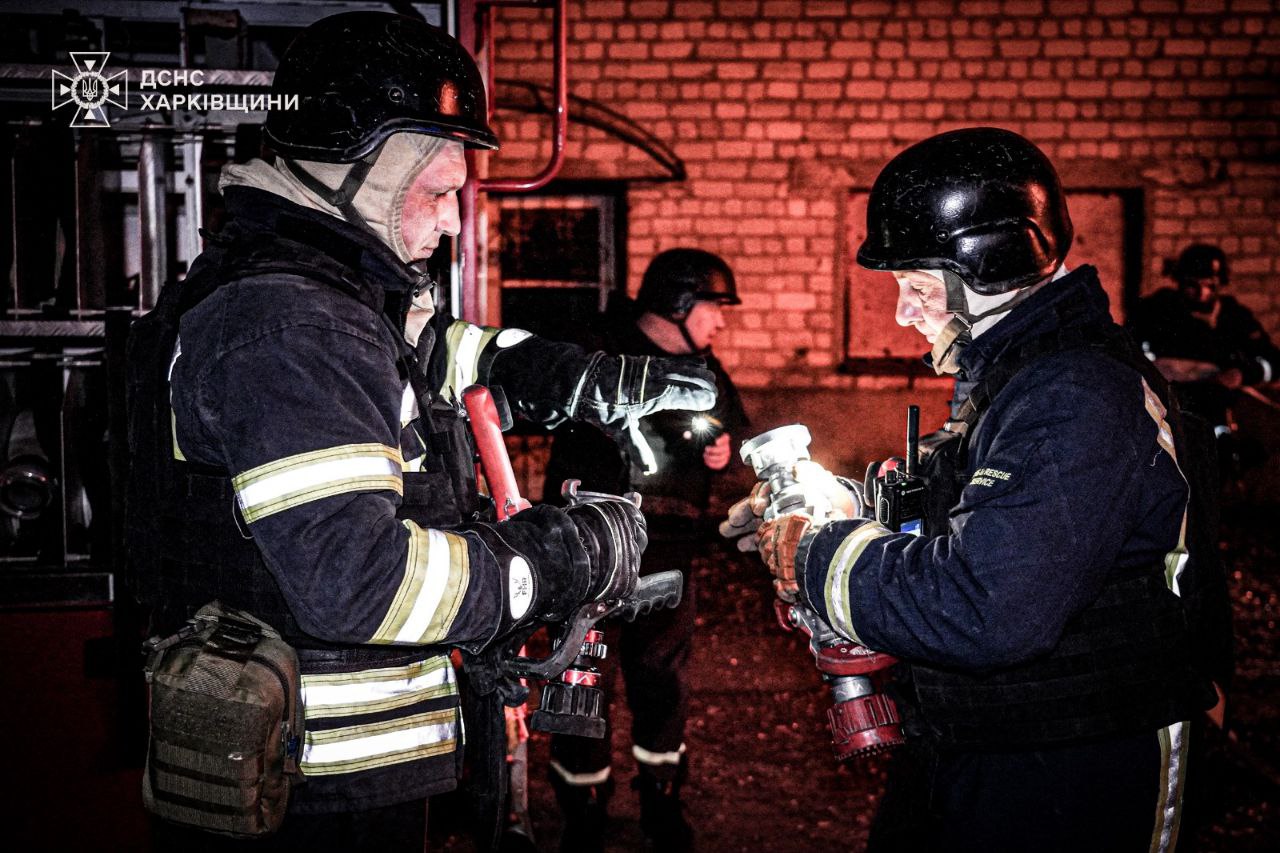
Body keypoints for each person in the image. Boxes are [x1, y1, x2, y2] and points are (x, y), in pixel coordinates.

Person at [125, 12, 717, 851]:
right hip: (315, 793)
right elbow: (362, 580)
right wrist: (555, 558)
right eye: (437, 193)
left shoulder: (335, 301)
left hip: (343, 776)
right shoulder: (294, 330)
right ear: (355, 178)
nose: (449, 225)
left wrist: (579, 378)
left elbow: (440, 360)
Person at [732, 128, 1221, 852]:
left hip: (1078, 763)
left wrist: (817, 554)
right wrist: (833, 508)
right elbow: (980, 515)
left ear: (990, 270)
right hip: (989, 733)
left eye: (918, 287)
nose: (903, 313)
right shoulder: (1019, 379)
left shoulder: (1077, 393)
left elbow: (985, 602)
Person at [542, 249, 748, 852]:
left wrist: (722, 452)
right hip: (591, 557)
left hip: (671, 555)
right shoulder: (600, 356)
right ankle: (582, 809)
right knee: (582, 680)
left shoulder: (703, 367)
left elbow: (731, 428)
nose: (721, 322)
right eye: (715, 307)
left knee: (663, 682)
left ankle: (662, 801)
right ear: (679, 305)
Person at [1128, 243, 1280, 481]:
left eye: (1210, 286)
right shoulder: (1157, 311)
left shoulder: (1234, 316)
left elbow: (1273, 361)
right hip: (1168, 412)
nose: (1202, 294)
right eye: (1192, 286)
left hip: (1223, 414)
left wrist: (1244, 373)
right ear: (1179, 281)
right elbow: (1130, 354)